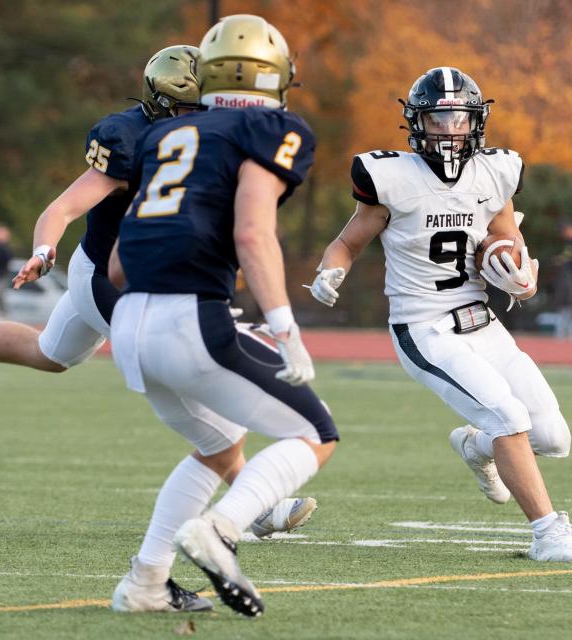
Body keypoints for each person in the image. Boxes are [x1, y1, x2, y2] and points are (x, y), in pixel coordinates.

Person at [309, 66, 572, 564]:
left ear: (475, 122)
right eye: (437, 119)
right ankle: (549, 533)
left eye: (458, 119)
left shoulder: (495, 172)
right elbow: (347, 242)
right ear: (417, 123)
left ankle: (477, 446)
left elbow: (508, 241)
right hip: (424, 327)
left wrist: (519, 275)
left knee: (552, 436)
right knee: (508, 416)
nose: (448, 130)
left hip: (482, 321)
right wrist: (328, 272)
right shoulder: (392, 177)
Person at [108, 14, 338, 618]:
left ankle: (145, 584)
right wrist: (285, 328)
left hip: (129, 326)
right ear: (278, 76)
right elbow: (254, 232)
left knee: (217, 447)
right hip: (191, 320)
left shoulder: (163, 136)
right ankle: (225, 530)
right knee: (314, 434)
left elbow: (115, 267)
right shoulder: (271, 126)